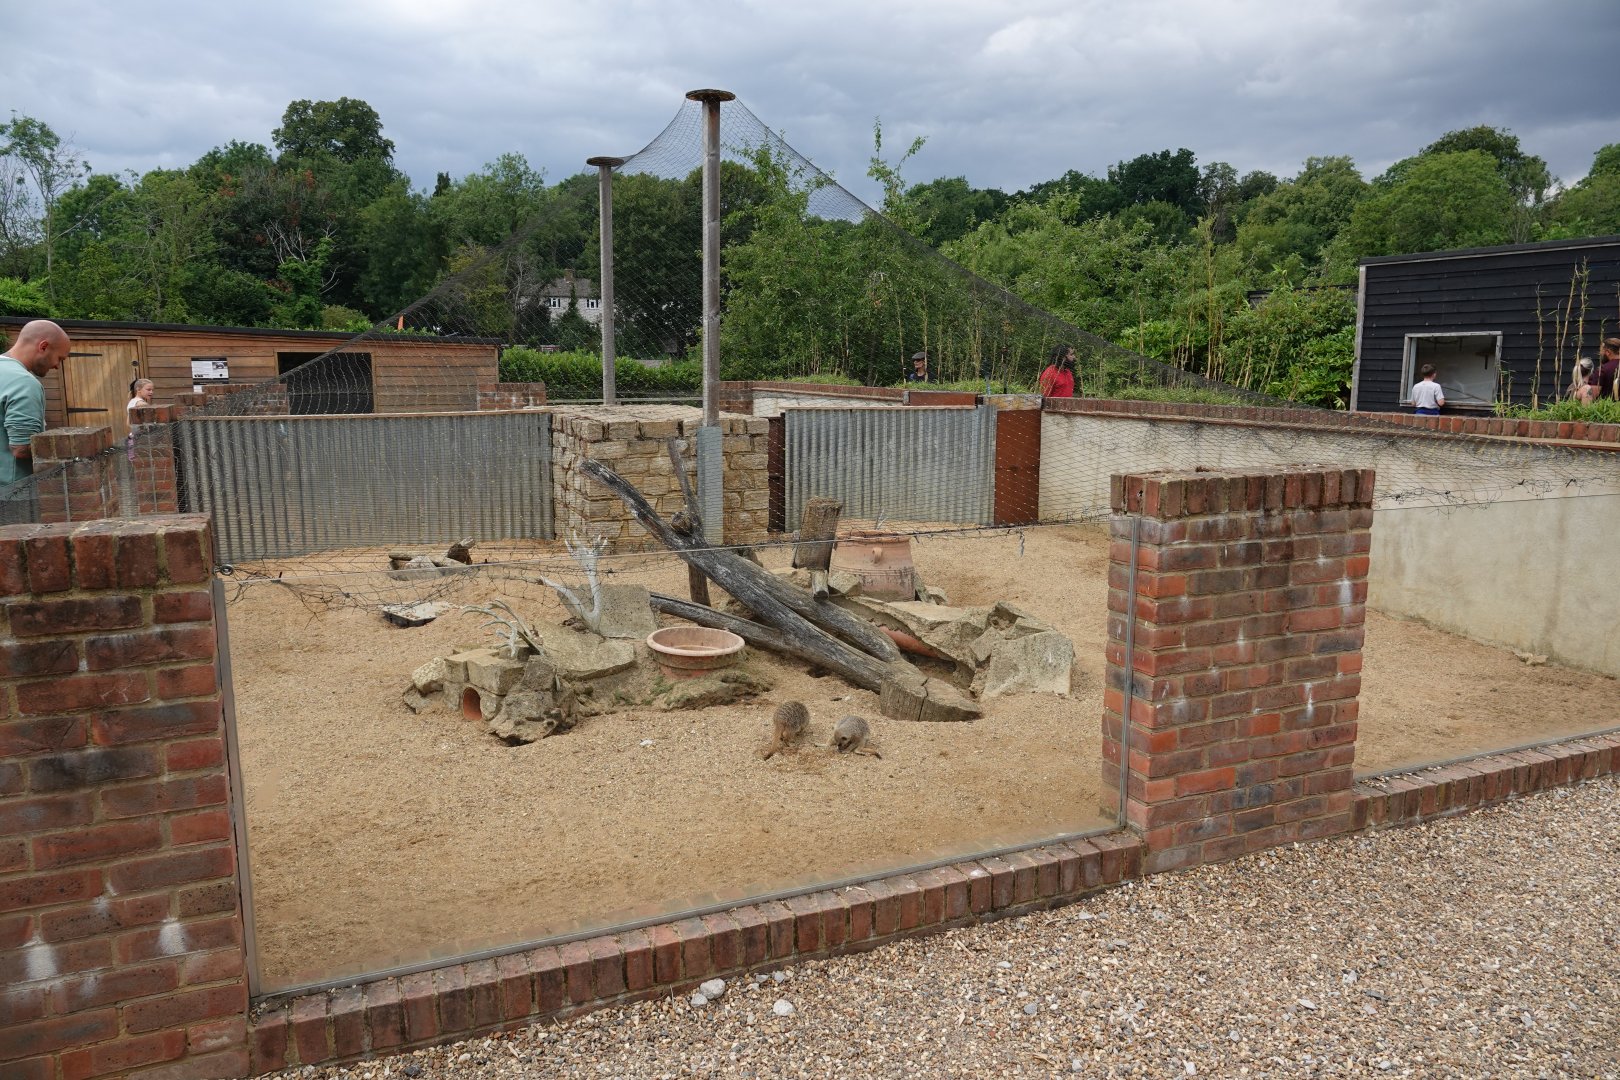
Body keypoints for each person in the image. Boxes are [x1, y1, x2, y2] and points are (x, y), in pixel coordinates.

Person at [1, 320, 71, 486]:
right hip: (11, 495)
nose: (56, 366)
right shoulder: (23, 382)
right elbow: (21, 448)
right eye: (59, 358)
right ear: (43, 346)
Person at [1581, 337, 1620, 403]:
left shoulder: (1603, 370)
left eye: (1601, 351)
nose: (1600, 354)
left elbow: (1592, 395)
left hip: (1607, 410)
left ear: (1608, 352)